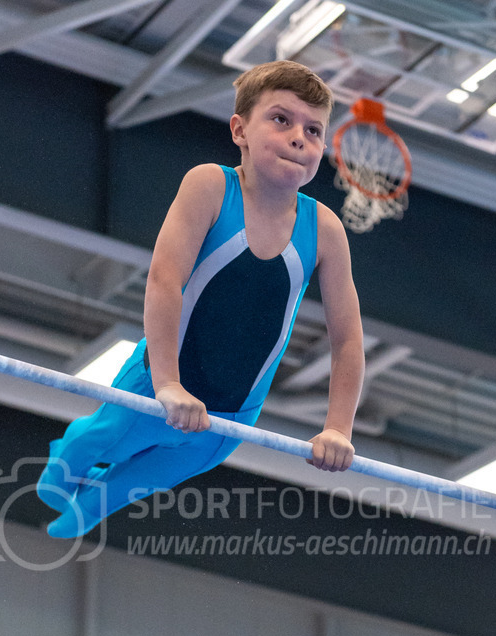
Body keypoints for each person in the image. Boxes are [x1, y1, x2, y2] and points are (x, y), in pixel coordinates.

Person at [37, 60, 365, 538]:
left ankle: (86, 511)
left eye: (314, 130)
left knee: (134, 485)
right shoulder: (211, 186)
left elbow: (348, 340)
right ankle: (62, 470)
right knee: (99, 440)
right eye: (281, 119)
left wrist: (338, 428)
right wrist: (168, 384)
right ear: (240, 130)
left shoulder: (327, 231)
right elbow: (164, 281)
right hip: (157, 384)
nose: (300, 137)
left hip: (231, 415)